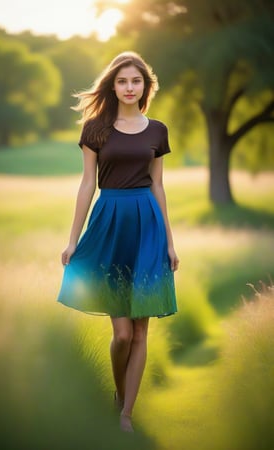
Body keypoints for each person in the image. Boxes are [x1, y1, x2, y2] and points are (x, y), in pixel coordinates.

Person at [57, 51, 179, 433]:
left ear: (146, 86)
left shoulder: (157, 130)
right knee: (122, 333)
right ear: (113, 85)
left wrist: (170, 243)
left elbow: (158, 185)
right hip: (109, 223)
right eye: (123, 81)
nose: (130, 87)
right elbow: (87, 184)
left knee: (141, 330)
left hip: (148, 226)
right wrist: (73, 239)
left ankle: (126, 413)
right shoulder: (95, 128)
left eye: (136, 81)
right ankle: (118, 391)